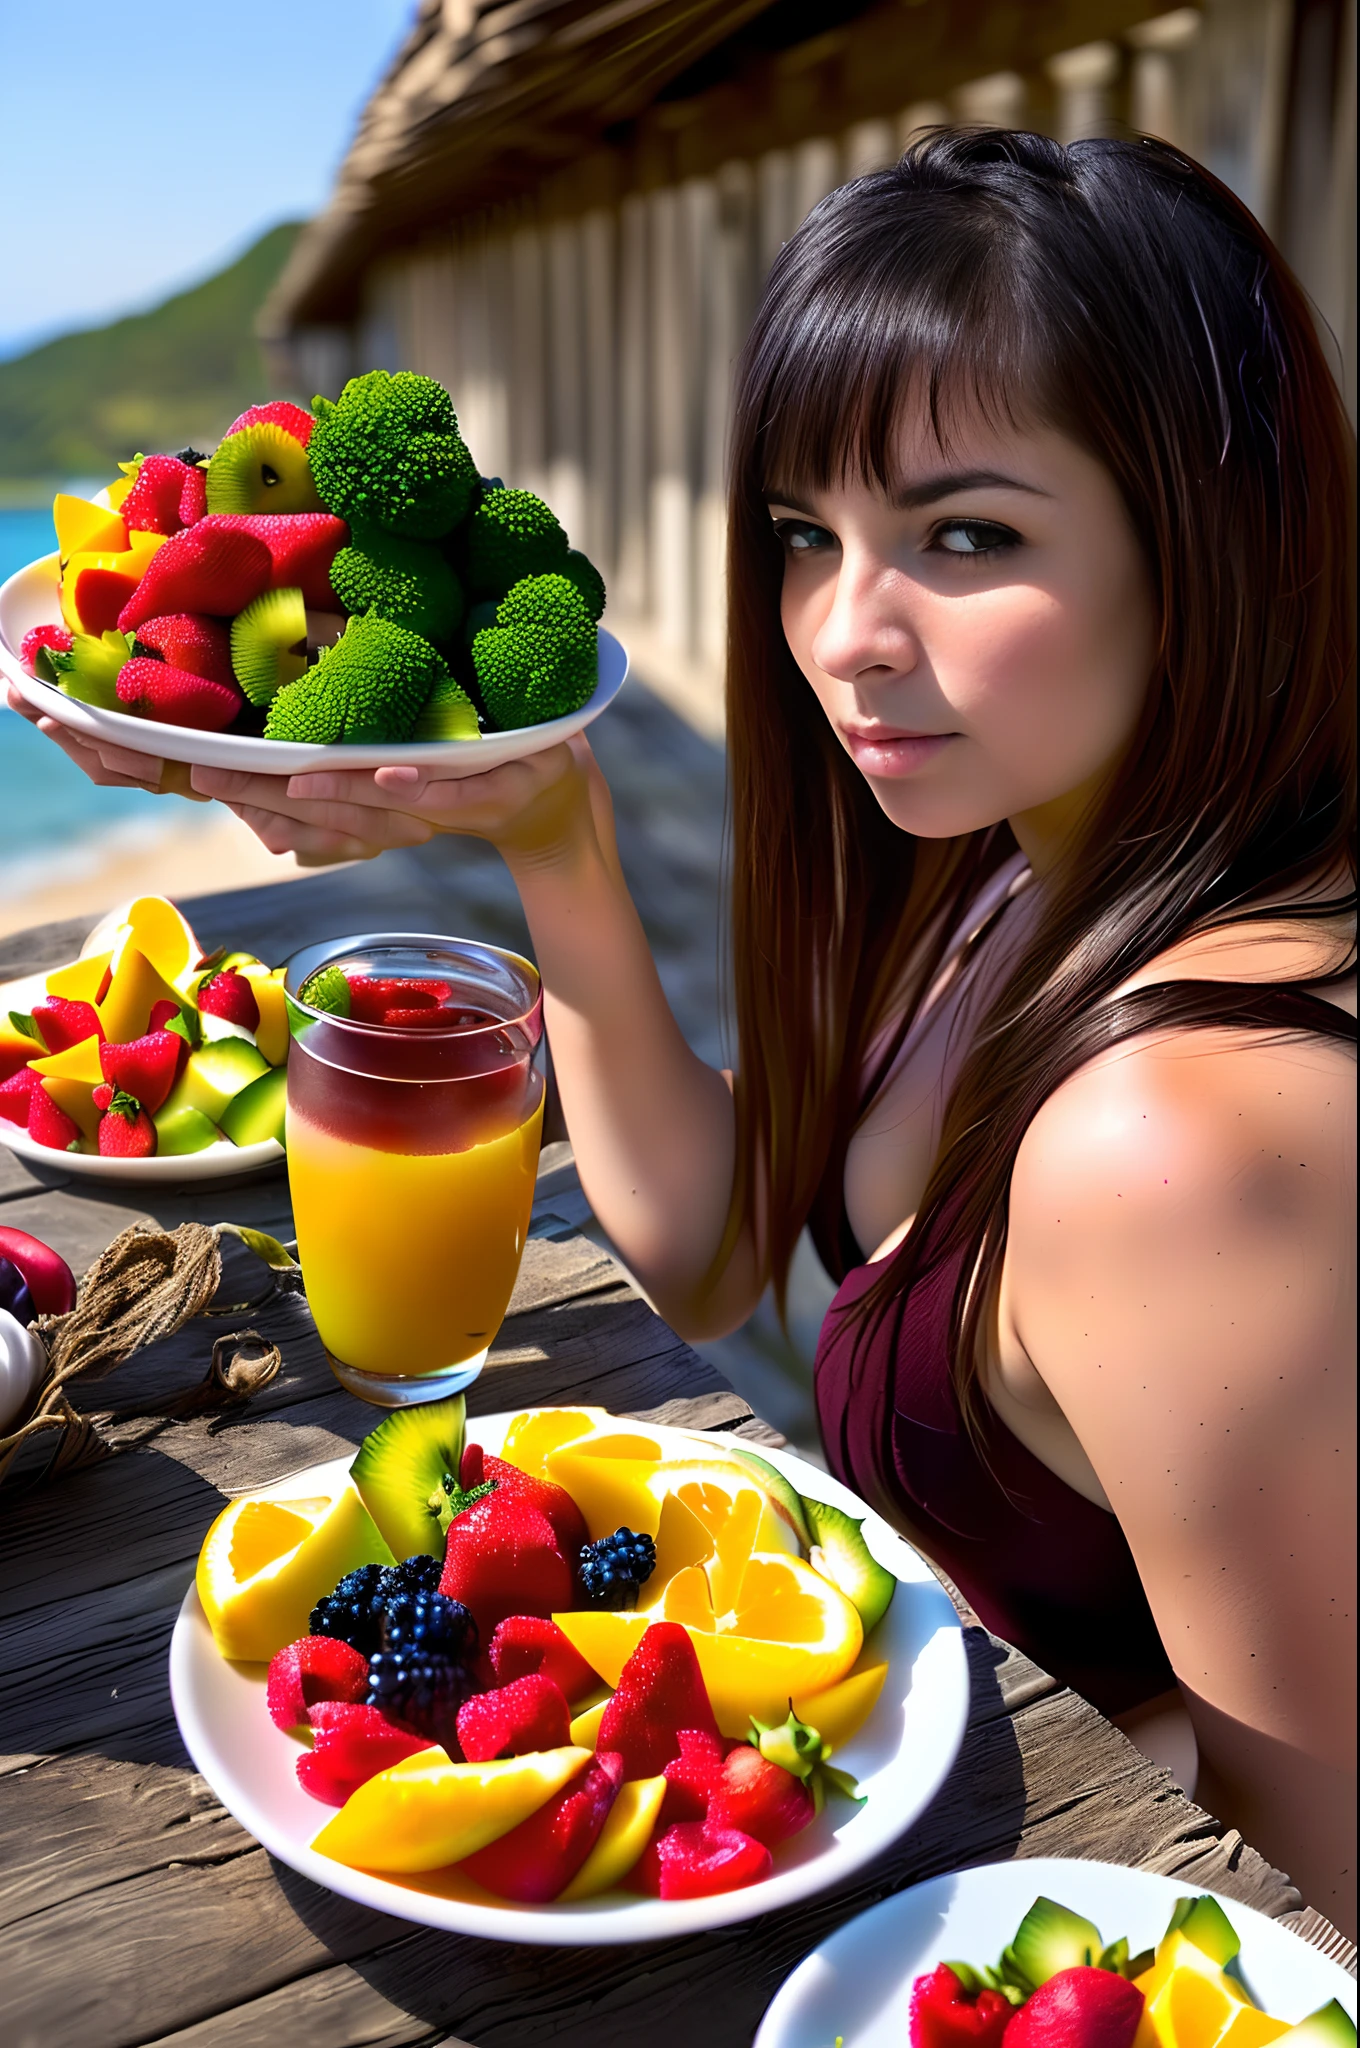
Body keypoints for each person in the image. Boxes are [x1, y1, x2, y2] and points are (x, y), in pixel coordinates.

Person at [15, 130, 1355, 1929]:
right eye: (810, 535)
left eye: (967, 535)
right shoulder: (1018, 873)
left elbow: (1306, 1874)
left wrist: (935, 1803)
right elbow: (718, 1251)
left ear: (1212, 536)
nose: (844, 634)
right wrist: (550, 832)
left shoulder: (1177, 1133)